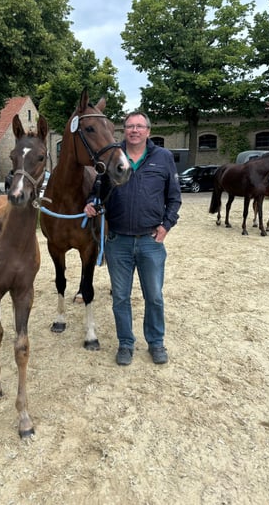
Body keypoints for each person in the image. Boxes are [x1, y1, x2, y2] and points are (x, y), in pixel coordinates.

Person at [84, 111, 182, 366]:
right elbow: (98, 190)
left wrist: (166, 225)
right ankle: (126, 344)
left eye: (139, 126)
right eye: (129, 126)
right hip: (119, 242)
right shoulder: (113, 155)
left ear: (148, 131)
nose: (134, 130)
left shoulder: (163, 158)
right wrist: (91, 204)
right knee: (120, 298)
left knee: (154, 296)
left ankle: (156, 342)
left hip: (151, 241)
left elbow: (174, 197)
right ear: (123, 131)